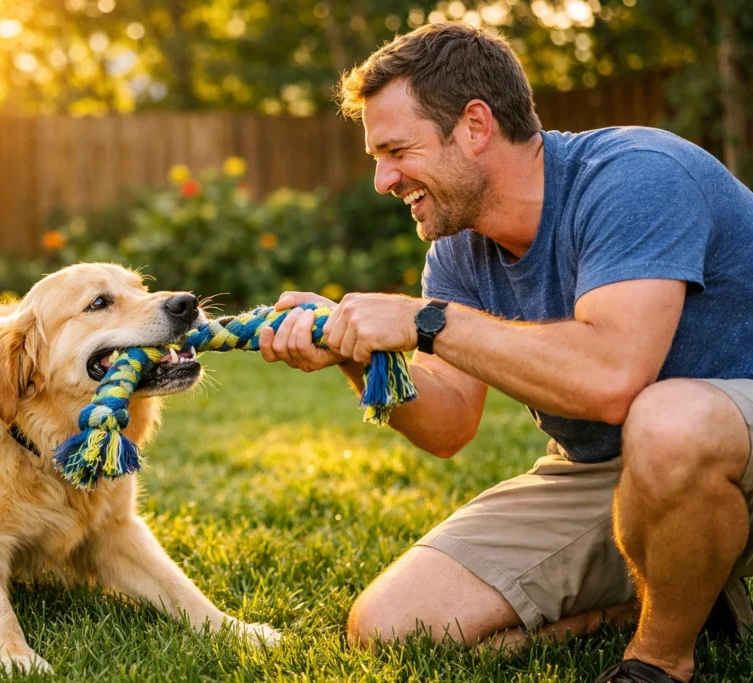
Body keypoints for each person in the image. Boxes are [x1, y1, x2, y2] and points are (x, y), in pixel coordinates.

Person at [258, 21, 753, 683]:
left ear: (475, 126)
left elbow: (613, 376)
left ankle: (659, 657)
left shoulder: (636, 176)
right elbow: (449, 423)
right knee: (391, 627)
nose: (382, 179)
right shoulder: (458, 252)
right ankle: (684, 587)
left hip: (711, 432)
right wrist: (355, 352)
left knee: (669, 418)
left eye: (397, 150)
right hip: (618, 467)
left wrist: (425, 319)